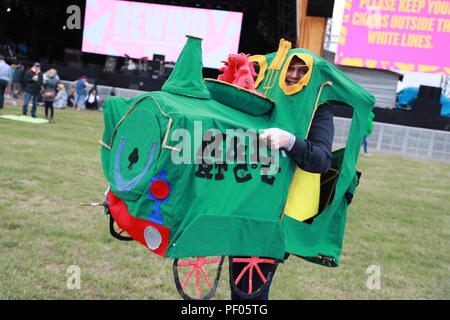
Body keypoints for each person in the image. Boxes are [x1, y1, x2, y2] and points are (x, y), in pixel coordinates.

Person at [229, 55, 334, 300]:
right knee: (241, 286)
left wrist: (289, 141)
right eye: (291, 69)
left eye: (302, 71)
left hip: (279, 213)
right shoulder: (264, 94)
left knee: (248, 291)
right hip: (244, 202)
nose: (294, 76)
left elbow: (321, 160)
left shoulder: (319, 108)